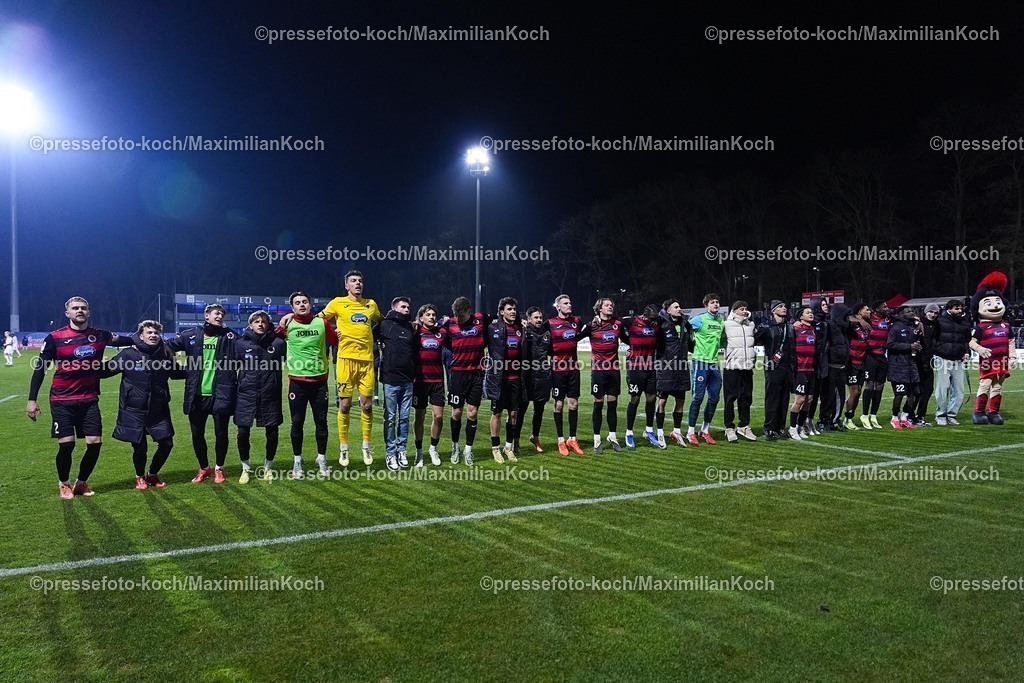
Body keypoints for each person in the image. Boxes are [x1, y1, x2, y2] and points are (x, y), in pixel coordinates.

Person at [26, 296, 131, 499]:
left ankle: (81, 483)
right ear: (68, 313)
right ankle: (64, 483)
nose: (80, 311)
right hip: (62, 400)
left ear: (88, 312)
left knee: (95, 443)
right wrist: (32, 399)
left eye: (83, 308)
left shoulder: (100, 335)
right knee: (67, 444)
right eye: (75, 308)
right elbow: (40, 369)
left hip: (90, 399)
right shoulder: (55, 338)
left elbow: (128, 340)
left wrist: (146, 340)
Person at [102, 320, 186, 489]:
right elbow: (105, 371)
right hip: (134, 408)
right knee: (140, 447)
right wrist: (85, 365)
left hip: (159, 407)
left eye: (156, 333)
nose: (153, 335)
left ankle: (153, 474)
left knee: (167, 443)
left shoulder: (164, 354)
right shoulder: (127, 354)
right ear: (141, 336)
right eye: (149, 333)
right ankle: (140, 476)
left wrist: (198, 370)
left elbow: (176, 373)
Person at [318, 270, 383, 466]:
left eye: (360, 281)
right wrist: (331, 330)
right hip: (346, 360)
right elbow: (318, 320)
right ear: (346, 285)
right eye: (353, 281)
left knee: (367, 405)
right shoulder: (337, 303)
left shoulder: (371, 305)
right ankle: (344, 449)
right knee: (344, 406)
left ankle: (366, 446)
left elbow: (384, 322)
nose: (358, 284)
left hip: (366, 361)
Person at [167, 303, 238, 484]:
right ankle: (204, 468)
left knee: (221, 433)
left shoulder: (229, 336)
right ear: (206, 315)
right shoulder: (190, 335)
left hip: (220, 394)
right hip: (196, 396)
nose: (220, 316)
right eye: (216, 313)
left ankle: (219, 469)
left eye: (222, 314)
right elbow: (166, 347)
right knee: (197, 434)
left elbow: (250, 346)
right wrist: (178, 369)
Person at [276, 292, 337, 478]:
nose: (302, 305)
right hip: (297, 383)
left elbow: (335, 340)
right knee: (297, 423)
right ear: (292, 307)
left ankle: (321, 458)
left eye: (305, 302)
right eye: (297, 303)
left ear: (310, 305)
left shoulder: (322, 323)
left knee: (321, 422)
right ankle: (297, 461)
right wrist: (285, 318)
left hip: (319, 383)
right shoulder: (287, 325)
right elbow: (270, 338)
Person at [234, 311, 285, 483]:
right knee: (242, 433)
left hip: (270, 395)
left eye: (263, 321)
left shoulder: (278, 343)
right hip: (246, 395)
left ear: (268, 324)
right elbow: (229, 368)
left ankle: (268, 467)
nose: (260, 324)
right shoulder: (240, 344)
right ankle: (245, 468)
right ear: (250, 325)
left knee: (272, 432)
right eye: (256, 321)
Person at [443, 296, 488, 466]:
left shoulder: (481, 320)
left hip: (476, 374)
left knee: (473, 412)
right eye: (455, 315)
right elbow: (443, 339)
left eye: (461, 316)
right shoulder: (450, 324)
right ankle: (455, 446)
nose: (458, 319)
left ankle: (468, 450)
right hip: (458, 374)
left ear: (469, 312)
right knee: (456, 412)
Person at [547, 295, 590, 456]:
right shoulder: (550, 323)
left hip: (573, 369)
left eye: (570, 302)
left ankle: (572, 438)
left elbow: (582, 334)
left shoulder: (576, 322)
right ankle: (560, 440)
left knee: (574, 404)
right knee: (559, 405)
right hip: (558, 370)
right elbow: (542, 341)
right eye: (565, 303)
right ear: (558, 307)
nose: (569, 305)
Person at [483, 297, 524, 463]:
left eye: (514, 309)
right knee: (497, 413)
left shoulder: (521, 328)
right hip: (499, 379)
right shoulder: (492, 327)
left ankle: (508, 447)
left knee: (513, 414)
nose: (513, 312)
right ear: (501, 312)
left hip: (516, 378)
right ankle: (495, 448)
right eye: (509, 309)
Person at [378, 296, 417, 471]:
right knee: (391, 418)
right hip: (390, 380)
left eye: (408, 307)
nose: (407, 309)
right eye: (403, 306)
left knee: (404, 418)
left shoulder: (410, 327)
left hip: (408, 380)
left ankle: (402, 451)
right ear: (394, 308)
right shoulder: (384, 325)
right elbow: (366, 337)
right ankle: (390, 452)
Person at [587, 297, 628, 453]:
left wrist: (634, 347)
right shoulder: (592, 325)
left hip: (614, 371)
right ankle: (597, 439)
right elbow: (575, 337)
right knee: (598, 404)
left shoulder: (617, 324)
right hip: (598, 371)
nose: (610, 307)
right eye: (607, 305)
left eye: (611, 305)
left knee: (613, 404)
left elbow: (627, 339)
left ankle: (612, 436)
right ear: (599, 309)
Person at [412, 304, 448, 467]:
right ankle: (419, 452)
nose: (432, 317)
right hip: (419, 381)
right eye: (428, 314)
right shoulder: (415, 332)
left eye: (434, 314)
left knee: (438, 416)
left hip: (438, 381)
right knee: (419, 416)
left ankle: (433, 449)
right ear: (421, 318)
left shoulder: (442, 333)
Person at [687, 293, 725, 445]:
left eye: (717, 302)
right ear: (706, 305)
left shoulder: (721, 322)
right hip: (700, 362)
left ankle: (705, 430)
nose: (715, 304)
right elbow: (686, 331)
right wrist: (691, 346)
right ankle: (690, 432)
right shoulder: (699, 319)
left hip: (714, 363)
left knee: (715, 397)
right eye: (712, 302)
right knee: (698, 398)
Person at [654, 299, 693, 448]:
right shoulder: (661, 323)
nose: (679, 309)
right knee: (662, 402)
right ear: (668, 310)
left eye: (679, 306)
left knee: (680, 401)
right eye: (676, 307)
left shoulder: (685, 324)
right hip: (665, 369)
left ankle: (676, 432)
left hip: (681, 369)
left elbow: (691, 340)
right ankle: (660, 432)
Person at [754, 300, 793, 441]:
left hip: (787, 367)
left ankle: (780, 427)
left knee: (784, 399)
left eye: (784, 306)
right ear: (773, 310)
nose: (784, 308)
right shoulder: (766, 326)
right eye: (781, 307)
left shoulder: (789, 326)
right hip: (772, 367)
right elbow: (753, 340)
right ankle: (768, 428)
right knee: (772, 399)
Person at [622, 304, 660, 449]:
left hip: (651, 367)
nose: (652, 321)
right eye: (650, 319)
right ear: (644, 315)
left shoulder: (657, 324)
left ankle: (649, 431)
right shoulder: (632, 322)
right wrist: (629, 343)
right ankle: (629, 433)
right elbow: (616, 324)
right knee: (635, 398)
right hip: (635, 368)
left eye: (654, 319)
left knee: (651, 398)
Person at [515, 306, 552, 454]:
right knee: (521, 410)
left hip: (542, 377)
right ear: (528, 319)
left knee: (539, 410)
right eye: (536, 317)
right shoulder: (523, 331)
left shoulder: (547, 333)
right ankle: (515, 440)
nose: (539, 320)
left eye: (540, 318)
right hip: (526, 377)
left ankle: (535, 437)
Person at [932, 299, 971, 426]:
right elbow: (933, 336)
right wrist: (937, 349)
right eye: (956, 308)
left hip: (958, 360)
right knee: (943, 389)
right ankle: (941, 414)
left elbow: (967, 340)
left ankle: (952, 414)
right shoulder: (939, 320)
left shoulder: (964, 322)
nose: (960, 311)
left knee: (959, 391)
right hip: (943, 358)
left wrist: (967, 352)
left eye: (961, 308)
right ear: (949, 309)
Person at [722, 300, 757, 442]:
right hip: (732, 367)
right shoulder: (726, 324)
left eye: (745, 308)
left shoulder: (751, 324)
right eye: (741, 309)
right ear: (734, 310)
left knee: (746, 398)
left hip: (747, 367)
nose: (744, 311)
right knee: (730, 398)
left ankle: (744, 426)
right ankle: (729, 428)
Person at [886, 306, 923, 429]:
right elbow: (890, 344)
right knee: (900, 393)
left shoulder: (913, 326)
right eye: (908, 311)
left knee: (915, 393)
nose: (912, 312)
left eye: (912, 311)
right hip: (898, 364)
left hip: (911, 364)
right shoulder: (895, 327)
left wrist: (917, 346)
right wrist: (910, 346)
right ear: (901, 314)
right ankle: (894, 417)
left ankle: (904, 417)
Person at [860, 300, 891, 430]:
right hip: (870, 356)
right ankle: (864, 415)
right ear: (876, 309)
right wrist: (860, 320)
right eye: (884, 306)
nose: (887, 308)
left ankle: (873, 415)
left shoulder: (888, 319)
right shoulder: (869, 318)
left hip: (882, 356)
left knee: (879, 386)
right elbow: (851, 316)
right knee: (870, 385)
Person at [907, 303, 940, 426]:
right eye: (931, 312)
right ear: (925, 312)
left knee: (928, 390)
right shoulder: (916, 323)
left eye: (936, 313)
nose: (933, 314)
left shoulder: (935, 325)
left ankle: (920, 415)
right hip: (918, 362)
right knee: (916, 390)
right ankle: (909, 415)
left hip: (929, 362)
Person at [841, 303, 872, 431]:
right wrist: (858, 319)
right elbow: (843, 319)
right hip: (852, 363)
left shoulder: (868, 323)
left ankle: (850, 417)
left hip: (862, 362)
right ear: (859, 312)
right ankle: (847, 419)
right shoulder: (851, 324)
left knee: (858, 391)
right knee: (854, 392)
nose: (869, 311)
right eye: (867, 310)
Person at [789, 306, 817, 440]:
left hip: (811, 369)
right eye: (808, 313)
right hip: (800, 369)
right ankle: (792, 428)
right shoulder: (795, 328)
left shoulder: (813, 329)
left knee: (809, 400)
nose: (811, 314)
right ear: (801, 316)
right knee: (799, 399)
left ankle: (800, 426)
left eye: (811, 312)